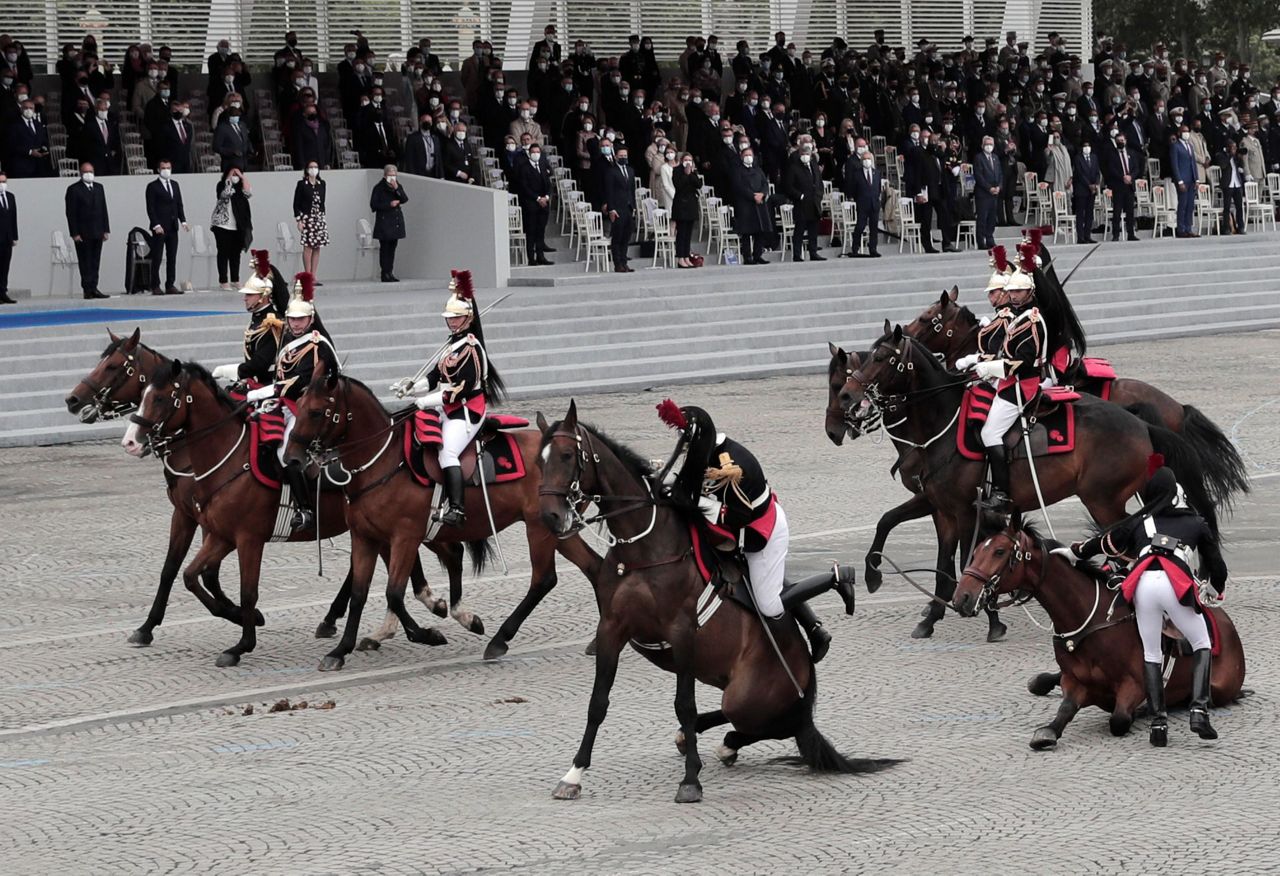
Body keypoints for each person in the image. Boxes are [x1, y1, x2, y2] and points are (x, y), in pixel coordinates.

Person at [656, 401, 856, 663]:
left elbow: (739, 516)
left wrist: (698, 503)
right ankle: (815, 629)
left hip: (759, 530)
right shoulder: (707, 451)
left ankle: (836, 578)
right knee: (763, 576)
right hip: (732, 525)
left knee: (769, 605)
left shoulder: (733, 467)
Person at [1057, 463, 1227, 746]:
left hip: (1143, 585)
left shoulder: (1140, 520)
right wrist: (1216, 589)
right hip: (1174, 583)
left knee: (1151, 652)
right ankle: (1198, 709)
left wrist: (1074, 553)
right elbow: (1217, 567)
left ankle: (1158, 723)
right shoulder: (1195, 522)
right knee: (1202, 642)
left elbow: (1105, 542)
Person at [411, 270, 507, 527]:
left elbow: (458, 390)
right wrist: (412, 387)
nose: (452, 322)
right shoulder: (451, 345)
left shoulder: (472, 349)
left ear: (468, 318)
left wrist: (426, 401)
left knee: (448, 452)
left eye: (457, 318)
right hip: (447, 408)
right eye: (450, 318)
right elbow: (433, 376)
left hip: (466, 411)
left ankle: (457, 507)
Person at [956, 243, 1046, 511]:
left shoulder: (1031, 321)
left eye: (1018, 291)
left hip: (1022, 384)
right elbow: (1003, 352)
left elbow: (1022, 362)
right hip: (1009, 380)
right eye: (1011, 291)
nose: (1014, 295)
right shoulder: (1018, 318)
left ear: (1029, 292)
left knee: (990, 432)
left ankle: (1002, 492)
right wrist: (980, 361)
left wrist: (990, 369)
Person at [244, 272, 338, 531]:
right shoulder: (288, 340)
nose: (296, 324)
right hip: (283, 404)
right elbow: (279, 372)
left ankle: (304, 509)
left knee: (286, 454)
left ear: (310, 319)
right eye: (292, 320)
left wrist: (267, 392)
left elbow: (303, 380)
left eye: (301, 320)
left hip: (305, 409)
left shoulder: (319, 345)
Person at [211, 252, 288, 387]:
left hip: (268, 384)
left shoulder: (272, 323)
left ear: (263, 296)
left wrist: (234, 370)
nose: (245, 298)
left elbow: (261, 363)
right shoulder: (258, 317)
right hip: (253, 380)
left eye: (250, 294)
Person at [65, 162, 110, 299]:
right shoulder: (74, 189)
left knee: (95, 261)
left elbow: (103, 209)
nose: (89, 174)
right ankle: (87, 289)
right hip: (83, 232)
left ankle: (94, 287)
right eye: (86, 172)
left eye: (91, 171)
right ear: (80, 173)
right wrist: (74, 233)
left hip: (98, 230)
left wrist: (105, 229)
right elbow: (71, 213)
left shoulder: (99, 187)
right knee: (85, 261)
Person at [144, 160, 187, 295]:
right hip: (160, 227)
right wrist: (156, 224)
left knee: (172, 256)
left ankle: (170, 284)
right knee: (157, 256)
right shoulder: (152, 186)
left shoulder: (175, 185)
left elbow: (179, 204)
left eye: (168, 168)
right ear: (158, 169)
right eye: (163, 168)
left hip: (173, 226)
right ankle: (155, 285)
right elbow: (150, 208)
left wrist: (183, 220)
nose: (166, 170)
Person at [210, 168, 252, 290]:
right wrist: (228, 180)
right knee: (223, 253)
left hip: (238, 225)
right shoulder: (221, 185)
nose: (235, 176)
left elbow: (249, 192)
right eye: (233, 174)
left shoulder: (241, 189)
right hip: (222, 225)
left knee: (236, 253)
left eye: (237, 174)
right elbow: (224, 195)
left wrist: (243, 178)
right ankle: (223, 281)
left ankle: (235, 279)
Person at [783, 141, 825, 261]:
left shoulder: (814, 165)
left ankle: (813, 252)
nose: (805, 155)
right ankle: (797, 254)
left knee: (813, 229)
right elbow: (788, 186)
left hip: (814, 202)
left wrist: (818, 195)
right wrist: (799, 196)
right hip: (801, 203)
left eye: (807, 153)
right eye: (803, 153)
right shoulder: (794, 167)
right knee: (800, 229)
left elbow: (819, 183)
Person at [512, 142, 553, 265]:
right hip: (531, 204)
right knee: (531, 231)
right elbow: (524, 186)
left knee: (541, 231)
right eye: (533, 152)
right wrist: (537, 198)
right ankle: (531, 258)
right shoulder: (524, 168)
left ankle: (541, 256)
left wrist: (546, 197)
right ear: (529, 154)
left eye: (538, 152)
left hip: (544, 204)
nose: (536, 154)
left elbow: (549, 184)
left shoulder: (542, 164)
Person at [598, 139, 635, 272]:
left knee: (626, 236)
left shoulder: (630, 171)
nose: (623, 158)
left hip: (628, 207)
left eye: (625, 156)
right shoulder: (611, 171)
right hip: (617, 208)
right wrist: (611, 209)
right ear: (615, 157)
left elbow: (632, 189)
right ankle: (617, 263)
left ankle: (624, 261)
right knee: (617, 237)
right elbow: (609, 191)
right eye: (621, 156)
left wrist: (634, 206)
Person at [730, 147, 771, 264]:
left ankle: (758, 254)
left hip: (760, 203)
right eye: (746, 155)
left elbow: (765, 183)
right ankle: (747, 256)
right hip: (746, 204)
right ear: (742, 156)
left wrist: (762, 194)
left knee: (760, 230)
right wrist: (753, 196)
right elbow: (739, 186)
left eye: (750, 155)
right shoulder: (738, 170)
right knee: (747, 232)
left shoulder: (758, 169)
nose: (749, 157)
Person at [370, 165, 407, 282]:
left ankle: (390, 271)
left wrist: (397, 189)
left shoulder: (397, 186)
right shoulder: (379, 188)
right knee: (385, 248)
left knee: (392, 247)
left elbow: (404, 199)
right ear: (385, 175)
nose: (392, 177)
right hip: (384, 221)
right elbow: (374, 205)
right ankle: (384, 272)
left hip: (395, 221)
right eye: (390, 175)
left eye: (394, 175)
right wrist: (388, 204)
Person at [844, 147, 882, 257]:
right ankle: (855, 248)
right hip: (862, 204)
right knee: (860, 226)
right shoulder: (857, 174)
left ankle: (873, 248)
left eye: (868, 159)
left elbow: (878, 188)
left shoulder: (877, 173)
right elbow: (853, 189)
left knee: (874, 228)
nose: (867, 161)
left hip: (874, 203)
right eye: (865, 159)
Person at [294, 162, 328, 277]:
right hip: (307, 218)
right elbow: (296, 203)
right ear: (307, 169)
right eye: (311, 167)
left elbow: (322, 202)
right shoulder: (302, 184)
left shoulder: (322, 184)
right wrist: (299, 220)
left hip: (319, 218)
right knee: (308, 247)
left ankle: (314, 275)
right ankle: (307, 274)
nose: (314, 169)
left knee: (317, 247)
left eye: (316, 167)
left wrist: (322, 218)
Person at [1103, 133, 1140, 241]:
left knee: (1130, 211)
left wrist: (1131, 177)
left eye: (1122, 140)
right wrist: (1122, 177)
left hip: (1129, 185)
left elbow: (1136, 168)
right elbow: (1111, 169)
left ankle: (1131, 233)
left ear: (1126, 141)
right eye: (1118, 140)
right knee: (1117, 211)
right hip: (1118, 185)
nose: (1121, 142)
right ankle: (1115, 234)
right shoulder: (1112, 154)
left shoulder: (1131, 153)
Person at [672, 152, 701, 268]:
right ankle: (680, 257)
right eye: (686, 160)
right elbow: (678, 185)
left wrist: (692, 174)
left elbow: (698, 185)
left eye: (690, 160)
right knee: (682, 233)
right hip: (681, 205)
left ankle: (686, 256)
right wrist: (686, 174)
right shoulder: (677, 170)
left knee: (688, 233)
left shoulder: (693, 171)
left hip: (691, 205)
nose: (688, 162)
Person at [972, 136, 1001, 249]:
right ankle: (980, 240)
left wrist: (999, 187)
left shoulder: (995, 158)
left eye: (991, 144)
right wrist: (989, 188)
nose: (989, 146)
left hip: (994, 193)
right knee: (982, 218)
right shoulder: (978, 158)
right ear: (982, 145)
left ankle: (990, 238)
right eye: (987, 144)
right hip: (983, 193)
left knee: (992, 218)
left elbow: (1000, 174)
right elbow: (979, 176)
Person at [1171, 125, 1199, 238]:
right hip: (1182, 180)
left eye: (1188, 131)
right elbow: (1175, 165)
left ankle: (1189, 228)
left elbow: (1193, 163)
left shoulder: (1190, 146)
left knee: (1190, 205)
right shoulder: (1175, 146)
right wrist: (1179, 181)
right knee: (1182, 204)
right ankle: (1181, 229)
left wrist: (1196, 179)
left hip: (1191, 179)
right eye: (1184, 131)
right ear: (1179, 133)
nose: (1186, 133)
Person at [1071, 142, 1101, 244]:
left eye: (1088, 146)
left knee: (1089, 213)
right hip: (1081, 189)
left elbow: (1097, 172)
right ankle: (1081, 237)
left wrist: (1096, 184)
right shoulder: (1078, 158)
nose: (1087, 148)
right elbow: (1079, 173)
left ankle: (1088, 235)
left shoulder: (1094, 157)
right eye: (1085, 146)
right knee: (1080, 214)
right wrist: (1089, 185)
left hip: (1092, 190)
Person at [1217, 139, 1246, 235]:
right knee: (1227, 207)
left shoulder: (1236, 156)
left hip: (1237, 183)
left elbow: (1241, 166)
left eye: (1235, 147)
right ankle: (1226, 228)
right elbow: (1223, 166)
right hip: (1228, 184)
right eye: (1233, 147)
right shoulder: (1221, 155)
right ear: (1228, 147)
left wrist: (1239, 157)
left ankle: (1241, 227)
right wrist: (1230, 155)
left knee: (1239, 207)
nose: (1235, 149)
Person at [213, 98, 250, 172]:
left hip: (243, 162)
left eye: (237, 115)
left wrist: (250, 150)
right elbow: (216, 147)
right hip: (229, 163)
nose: (235, 117)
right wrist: (231, 152)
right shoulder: (222, 128)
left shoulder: (242, 125)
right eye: (233, 115)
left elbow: (246, 140)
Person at [0, 174, 15, 304]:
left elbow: (13, 217)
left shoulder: (10, 196)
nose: (2, 184)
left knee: (5, 266)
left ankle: (3, 291)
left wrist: (14, 236)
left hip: (7, 237)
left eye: (4, 181)